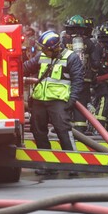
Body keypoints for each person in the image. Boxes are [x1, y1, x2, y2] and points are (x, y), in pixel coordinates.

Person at [23, 30, 84, 174]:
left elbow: (78, 81)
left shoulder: (71, 58)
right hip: (39, 100)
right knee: (38, 131)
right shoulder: (42, 55)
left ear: (55, 48)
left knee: (63, 131)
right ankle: (47, 165)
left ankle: (72, 165)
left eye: (45, 49)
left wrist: (72, 100)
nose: (43, 51)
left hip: (58, 101)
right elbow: (25, 67)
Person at [63, 15, 97, 133]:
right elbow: (95, 62)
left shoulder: (63, 41)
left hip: (66, 80)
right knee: (81, 104)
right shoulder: (89, 43)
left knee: (66, 103)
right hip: (84, 80)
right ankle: (80, 130)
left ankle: (65, 128)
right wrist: (93, 75)